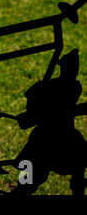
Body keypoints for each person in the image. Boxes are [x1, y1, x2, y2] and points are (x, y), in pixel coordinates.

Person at [13, 49, 86, 195]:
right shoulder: (55, 86)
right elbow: (38, 103)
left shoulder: (73, 87)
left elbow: (63, 108)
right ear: (63, 68)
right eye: (71, 67)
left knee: (79, 165)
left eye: (75, 67)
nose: (74, 70)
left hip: (64, 135)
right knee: (32, 178)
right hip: (45, 138)